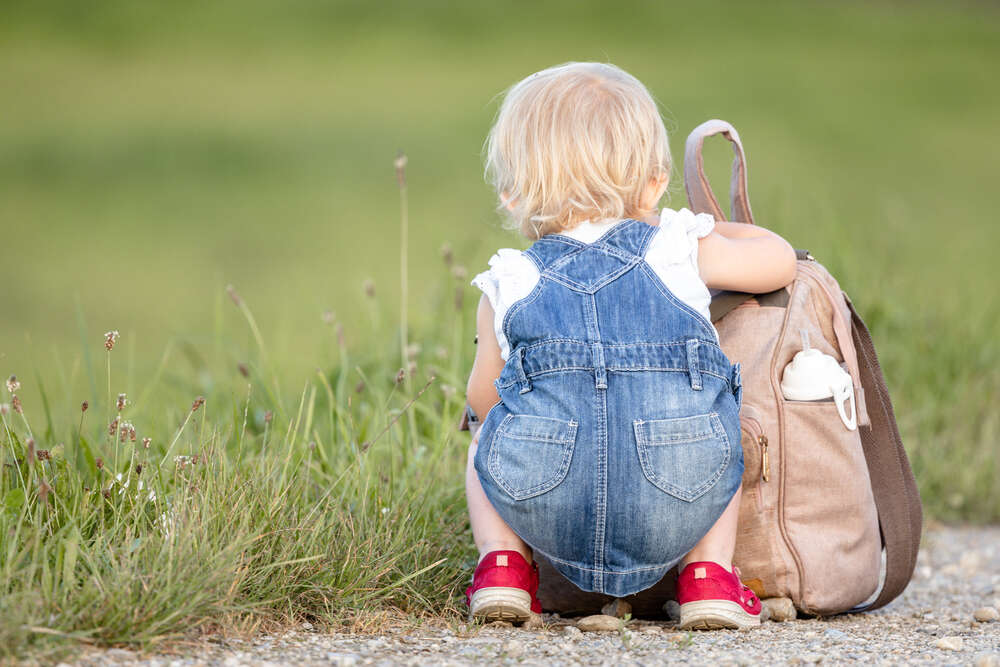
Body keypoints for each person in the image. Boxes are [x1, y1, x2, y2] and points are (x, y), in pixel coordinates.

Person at [464, 62, 797, 630]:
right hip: (680, 492)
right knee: (718, 422)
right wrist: (713, 229)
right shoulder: (678, 250)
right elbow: (779, 262)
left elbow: (483, 397)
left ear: (514, 194)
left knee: (480, 435)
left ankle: (504, 567)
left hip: (549, 502)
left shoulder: (508, 278)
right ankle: (709, 577)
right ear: (654, 182)